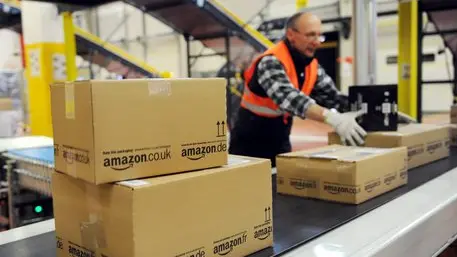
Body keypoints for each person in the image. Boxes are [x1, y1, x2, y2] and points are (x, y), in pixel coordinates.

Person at [229, 12, 367, 167]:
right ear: (291, 35)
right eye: (310, 35)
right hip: (250, 142)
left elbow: (333, 97)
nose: (316, 42)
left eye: (319, 36)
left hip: (280, 138)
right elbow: (289, 98)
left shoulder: (312, 66)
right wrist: (332, 118)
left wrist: (374, 109)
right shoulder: (271, 61)